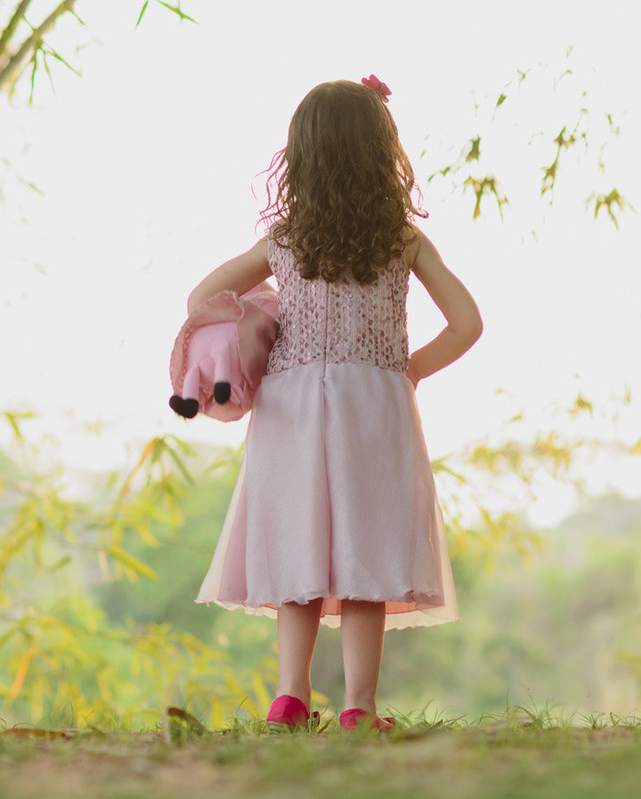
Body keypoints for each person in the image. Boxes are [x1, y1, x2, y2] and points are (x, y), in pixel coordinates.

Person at [188, 75, 481, 732]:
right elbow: (467, 321)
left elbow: (202, 295)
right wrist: (406, 371)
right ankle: (358, 707)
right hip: (373, 405)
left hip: (293, 406)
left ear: (303, 157)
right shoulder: (402, 240)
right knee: (364, 556)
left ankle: (290, 696)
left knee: (300, 549)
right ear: (382, 154)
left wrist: (261, 315)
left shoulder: (285, 242)